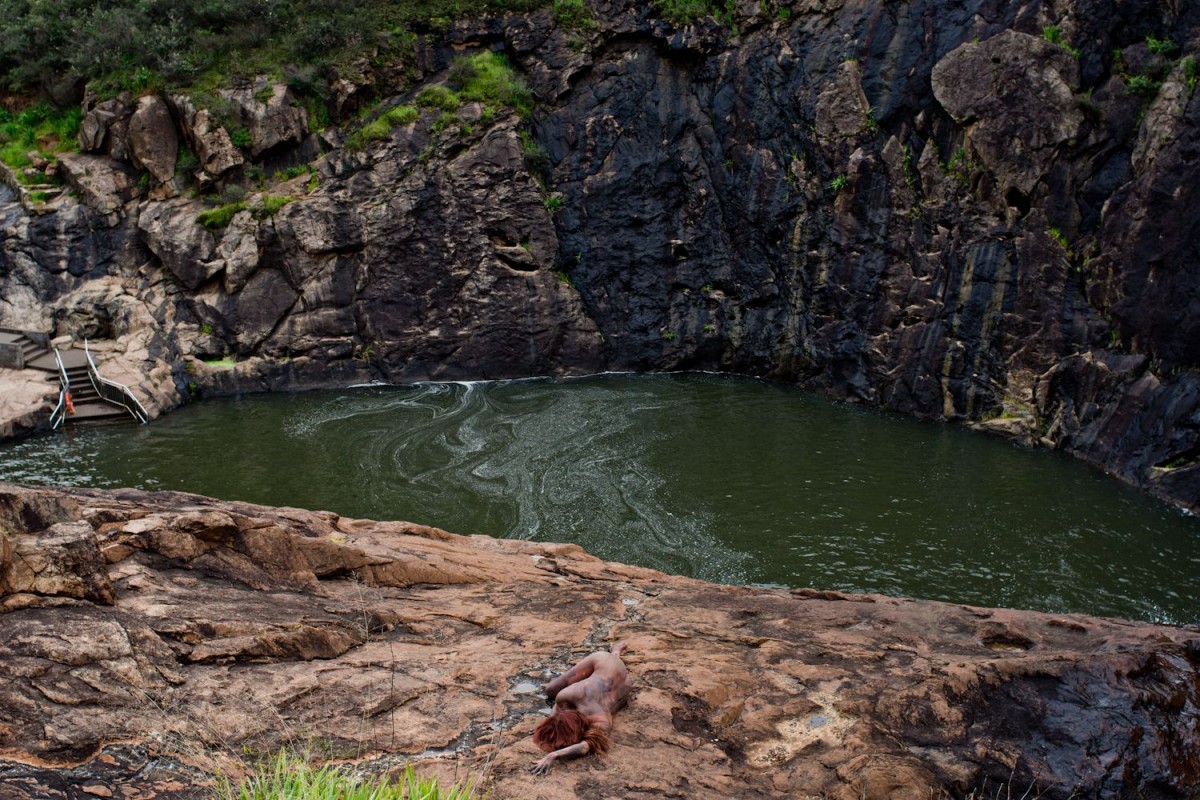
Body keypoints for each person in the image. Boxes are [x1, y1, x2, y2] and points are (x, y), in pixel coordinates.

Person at [530, 642, 630, 775]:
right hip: (611, 675)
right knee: (551, 691)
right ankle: (615, 653)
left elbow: (586, 746)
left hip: (604, 662)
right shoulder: (566, 699)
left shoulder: (600, 719)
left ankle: (615, 654)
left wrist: (553, 755)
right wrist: (548, 725)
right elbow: (556, 711)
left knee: (552, 691)